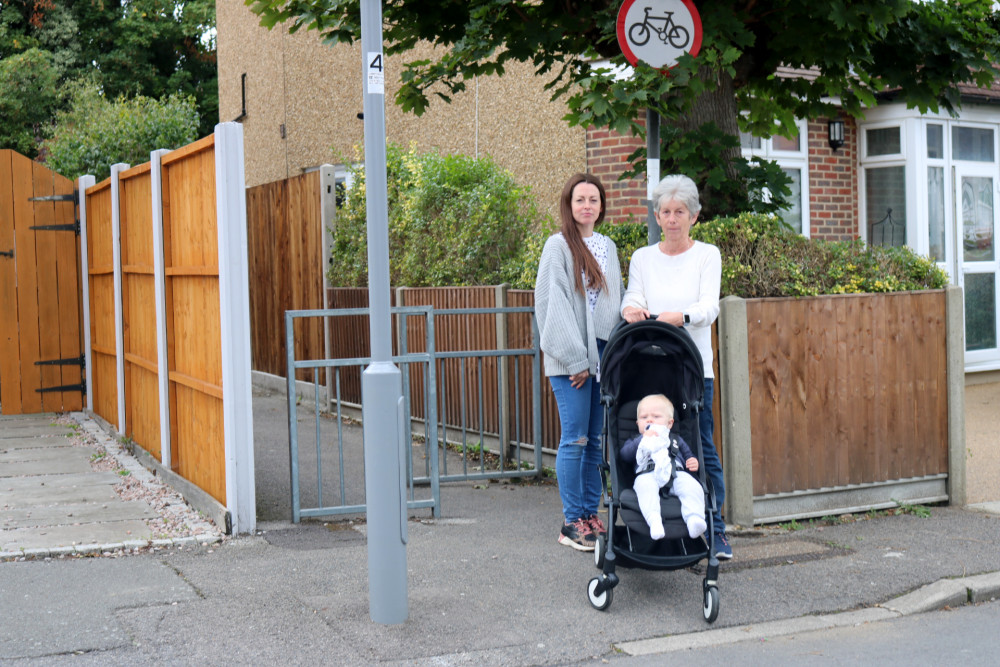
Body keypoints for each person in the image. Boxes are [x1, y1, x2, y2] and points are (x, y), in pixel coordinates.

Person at [620, 174, 732, 560]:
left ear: (694, 216)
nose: (671, 219)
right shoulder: (642, 258)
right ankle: (654, 522)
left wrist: (679, 316)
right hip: (649, 369)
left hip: (693, 369)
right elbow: (632, 296)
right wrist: (631, 309)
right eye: (665, 212)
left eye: (679, 212)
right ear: (656, 216)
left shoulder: (707, 255)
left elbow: (709, 307)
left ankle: (715, 528)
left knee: (701, 447)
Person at [535, 173, 625, 552]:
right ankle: (572, 521)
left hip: (602, 359)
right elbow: (551, 306)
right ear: (568, 206)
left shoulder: (609, 246)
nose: (586, 206)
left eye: (593, 199)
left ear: (601, 206)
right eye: (579, 200)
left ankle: (590, 514)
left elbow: (615, 304)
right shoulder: (557, 247)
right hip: (571, 362)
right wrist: (576, 360)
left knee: (595, 442)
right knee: (575, 439)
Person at [618, 394, 707, 540]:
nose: (649, 420)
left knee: (692, 487)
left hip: (676, 473)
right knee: (644, 488)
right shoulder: (636, 440)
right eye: (644, 417)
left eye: (656, 416)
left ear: (669, 423)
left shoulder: (675, 440)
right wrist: (642, 439)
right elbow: (624, 455)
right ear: (637, 423)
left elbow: (688, 455)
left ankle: (694, 519)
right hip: (647, 474)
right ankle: (654, 520)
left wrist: (692, 461)